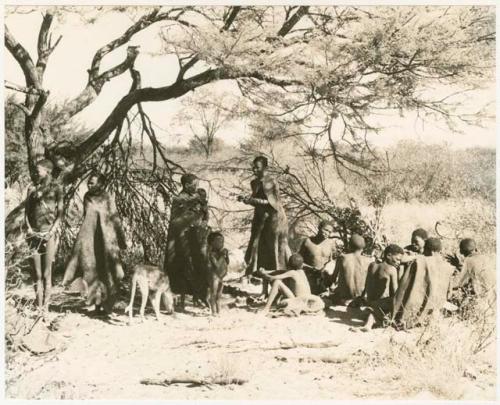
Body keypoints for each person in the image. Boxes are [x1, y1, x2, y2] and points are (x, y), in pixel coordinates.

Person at [62, 172, 127, 315]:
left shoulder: (107, 197)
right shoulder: (87, 197)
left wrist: (121, 239)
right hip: (90, 240)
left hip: (107, 240)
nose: (89, 184)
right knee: (92, 270)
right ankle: (96, 305)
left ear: (101, 184)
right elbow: (86, 218)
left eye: (93, 182)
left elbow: (115, 217)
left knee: (108, 271)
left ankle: (107, 306)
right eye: (89, 182)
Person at [238, 156, 289, 296]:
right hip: (261, 220)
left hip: (274, 221)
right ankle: (264, 290)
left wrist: (251, 200)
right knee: (262, 254)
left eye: (257, 167)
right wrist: (247, 200)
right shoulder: (254, 182)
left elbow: (272, 203)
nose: (254, 169)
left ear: (265, 168)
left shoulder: (270, 181)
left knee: (275, 254)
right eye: (253, 167)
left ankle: (278, 290)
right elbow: (258, 201)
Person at [163, 173, 209, 310]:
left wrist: (203, 223)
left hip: (196, 237)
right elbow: (176, 221)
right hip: (181, 239)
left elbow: (204, 215)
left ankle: (198, 297)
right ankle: (179, 300)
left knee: (199, 265)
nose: (196, 187)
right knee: (182, 268)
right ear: (187, 185)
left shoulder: (198, 198)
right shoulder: (179, 199)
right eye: (195, 185)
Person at [25, 159, 64, 318]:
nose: (36, 173)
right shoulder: (32, 188)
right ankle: (38, 305)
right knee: (36, 273)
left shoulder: (57, 188)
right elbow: (26, 213)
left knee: (47, 273)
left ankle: (46, 308)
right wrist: (28, 229)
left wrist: (52, 231)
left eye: (38, 170)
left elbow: (60, 213)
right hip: (33, 235)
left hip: (49, 234)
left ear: (47, 171)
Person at [392, 238, 454, 329]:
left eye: (425, 249)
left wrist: (396, 310)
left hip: (414, 310)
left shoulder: (419, 262)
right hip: (435, 309)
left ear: (431, 251)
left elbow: (403, 288)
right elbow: (449, 293)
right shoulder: (448, 267)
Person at [259, 253, 324, 316]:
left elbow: (272, 278)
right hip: (307, 299)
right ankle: (273, 303)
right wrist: (267, 271)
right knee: (284, 280)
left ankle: (266, 308)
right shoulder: (301, 271)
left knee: (277, 282)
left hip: (299, 300)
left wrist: (263, 274)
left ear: (289, 265)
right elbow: (280, 271)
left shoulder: (291, 273)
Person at [359, 244, 404, 331]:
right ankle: (371, 323)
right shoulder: (392, 269)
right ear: (388, 255)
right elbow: (395, 294)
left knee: (374, 309)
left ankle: (370, 321)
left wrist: (362, 297)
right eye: (397, 259)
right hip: (381, 304)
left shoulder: (372, 265)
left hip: (370, 301)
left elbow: (367, 284)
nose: (398, 262)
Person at [448, 238, 495, 312]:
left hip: (480, 299)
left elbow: (459, 283)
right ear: (476, 248)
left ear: (461, 251)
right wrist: (460, 266)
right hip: (493, 296)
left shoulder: (468, 261)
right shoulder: (487, 258)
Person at [329, 234, 372, 306]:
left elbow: (333, 278)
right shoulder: (369, 261)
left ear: (349, 246)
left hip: (343, 299)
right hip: (360, 299)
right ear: (363, 248)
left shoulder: (342, 258)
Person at [298, 220, 338, 294]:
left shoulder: (331, 244)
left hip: (324, 280)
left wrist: (327, 269)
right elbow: (298, 262)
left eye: (330, 232)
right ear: (319, 228)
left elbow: (332, 261)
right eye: (326, 230)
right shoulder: (307, 242)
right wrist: (311, 268)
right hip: (308, 278)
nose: (327, 233)